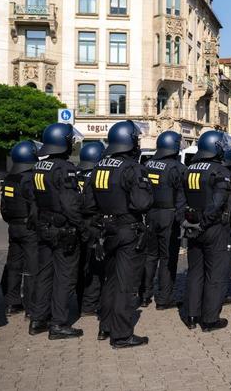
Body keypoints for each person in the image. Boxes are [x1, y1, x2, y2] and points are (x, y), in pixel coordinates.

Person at [84, 120, 153, 348]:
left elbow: (88, 204)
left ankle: (105, 326)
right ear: (129, 141)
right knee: (125, 284)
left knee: (110, 280)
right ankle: (122, 335)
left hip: (106, 231)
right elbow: (142, 203)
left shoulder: (99, 166)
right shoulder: (133, 168)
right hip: (127, 230)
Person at [30, 123, 85, 340]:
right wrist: (81, 226)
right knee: (64, 277)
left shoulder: (38, 167)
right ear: (62, 142)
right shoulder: (65, 168)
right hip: (64, 230)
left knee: (44, 275)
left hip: (44, 227)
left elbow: (34, 201)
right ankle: (59, 324)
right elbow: (70, 205)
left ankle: (38, 319)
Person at [181, 131, 231, 331]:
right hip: (213, 228)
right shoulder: (220, 171)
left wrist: (190, 222)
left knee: (195, 272)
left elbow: (181, 200)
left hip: (193, 227)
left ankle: (192, 316)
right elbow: (217, 203)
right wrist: (204, 222)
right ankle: (210, 320)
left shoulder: (189, 169)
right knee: (215, 274)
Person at [142, 131, 187, 310]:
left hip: (150, 214)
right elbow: (182, 197)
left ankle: (145, 295)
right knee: (168, 257)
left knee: (150, 256)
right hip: (169, 216)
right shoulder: (177, 168)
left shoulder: (147, 164)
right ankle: (164, 298)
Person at [0, 140, 39, 317]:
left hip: (13, 226)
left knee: (14, 266)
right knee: (32, 268)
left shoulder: (10, 177)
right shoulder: (28, 178)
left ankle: (11, 303)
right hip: (28, 228)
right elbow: (34, 206)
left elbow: (4, 207)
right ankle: (31, 309)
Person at [75, 141, 105, 317]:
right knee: (95, 266)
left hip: (76, 223)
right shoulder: (97, 176)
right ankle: (89, 305)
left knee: (79, 266)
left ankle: (80, 301)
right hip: (93, 224)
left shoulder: (75, 174)